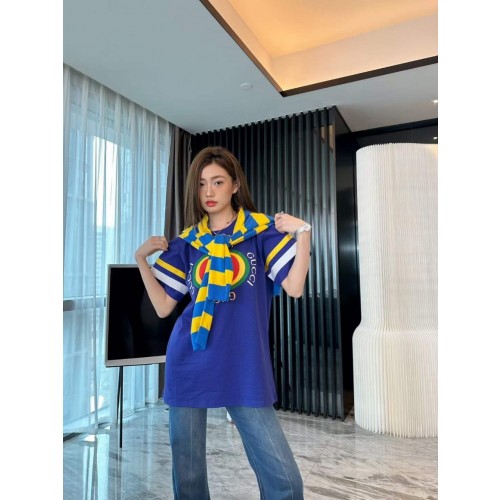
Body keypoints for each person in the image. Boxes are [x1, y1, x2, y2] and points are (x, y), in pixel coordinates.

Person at [135, 146, 312, 499]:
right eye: (202, 184)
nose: (209, 192)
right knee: (188, 480)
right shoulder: (187, 243)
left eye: (218, 182)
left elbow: (294, 287)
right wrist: (141, 259)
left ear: (235, 185)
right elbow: (163, 307)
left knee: (285, 482)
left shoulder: (260, 232)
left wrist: (303, 232)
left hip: (243, 365)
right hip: (189, 361)